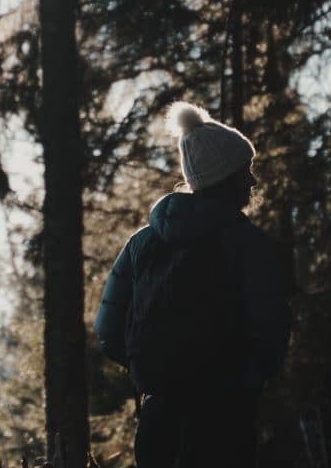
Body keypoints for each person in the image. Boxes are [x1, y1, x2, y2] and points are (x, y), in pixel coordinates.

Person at [93, 101, 291, 467]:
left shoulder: (141, 243)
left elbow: (108, 331)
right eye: (243, 170)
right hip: (226, 413)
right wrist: (246, 377)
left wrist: (153, 372)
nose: (252, 180)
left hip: (158, 416)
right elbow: (270, 327)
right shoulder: (245, 242)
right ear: (223, 178)